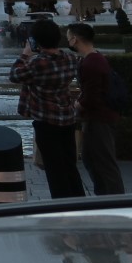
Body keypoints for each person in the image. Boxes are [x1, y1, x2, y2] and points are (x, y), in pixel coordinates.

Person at [8, 18, 83, 199]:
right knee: (69, 165)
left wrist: (25, 53)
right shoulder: (71, 59)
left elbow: (14, 75)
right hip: (67, 119)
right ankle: (79, 202)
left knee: (54, 169)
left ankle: (62, 208)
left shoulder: (37, 63)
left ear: (37, 41)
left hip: (46, 123)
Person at [68, 23, 126, 195]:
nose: (68, 40)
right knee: (91, 158)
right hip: (99, 117)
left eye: (69, 37)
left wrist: (76, 105)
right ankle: (104, 196)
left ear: (75, 39)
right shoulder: (94, 58)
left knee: (103, 161)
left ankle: (114, 200)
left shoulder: (91, 62)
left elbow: (92, 96)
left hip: (99, 119)